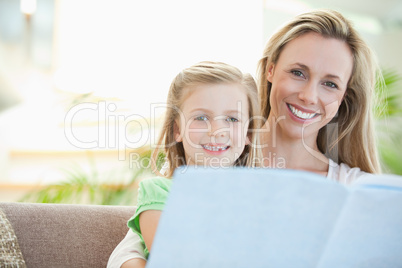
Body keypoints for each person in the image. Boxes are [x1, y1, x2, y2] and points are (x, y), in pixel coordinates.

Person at [108, 8, 382, 267]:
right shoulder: (219, 161)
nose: (309, 96)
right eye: (298, 73)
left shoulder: (357, 191)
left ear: (344, 95)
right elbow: (135, 248)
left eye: (330, 83)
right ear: (271, 69)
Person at [107, 61, 261, 268]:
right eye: (201, 117)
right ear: (177, 130)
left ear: (248, 132)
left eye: (232, 119)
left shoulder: (260, 196)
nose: (216, 130)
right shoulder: (159, 192)